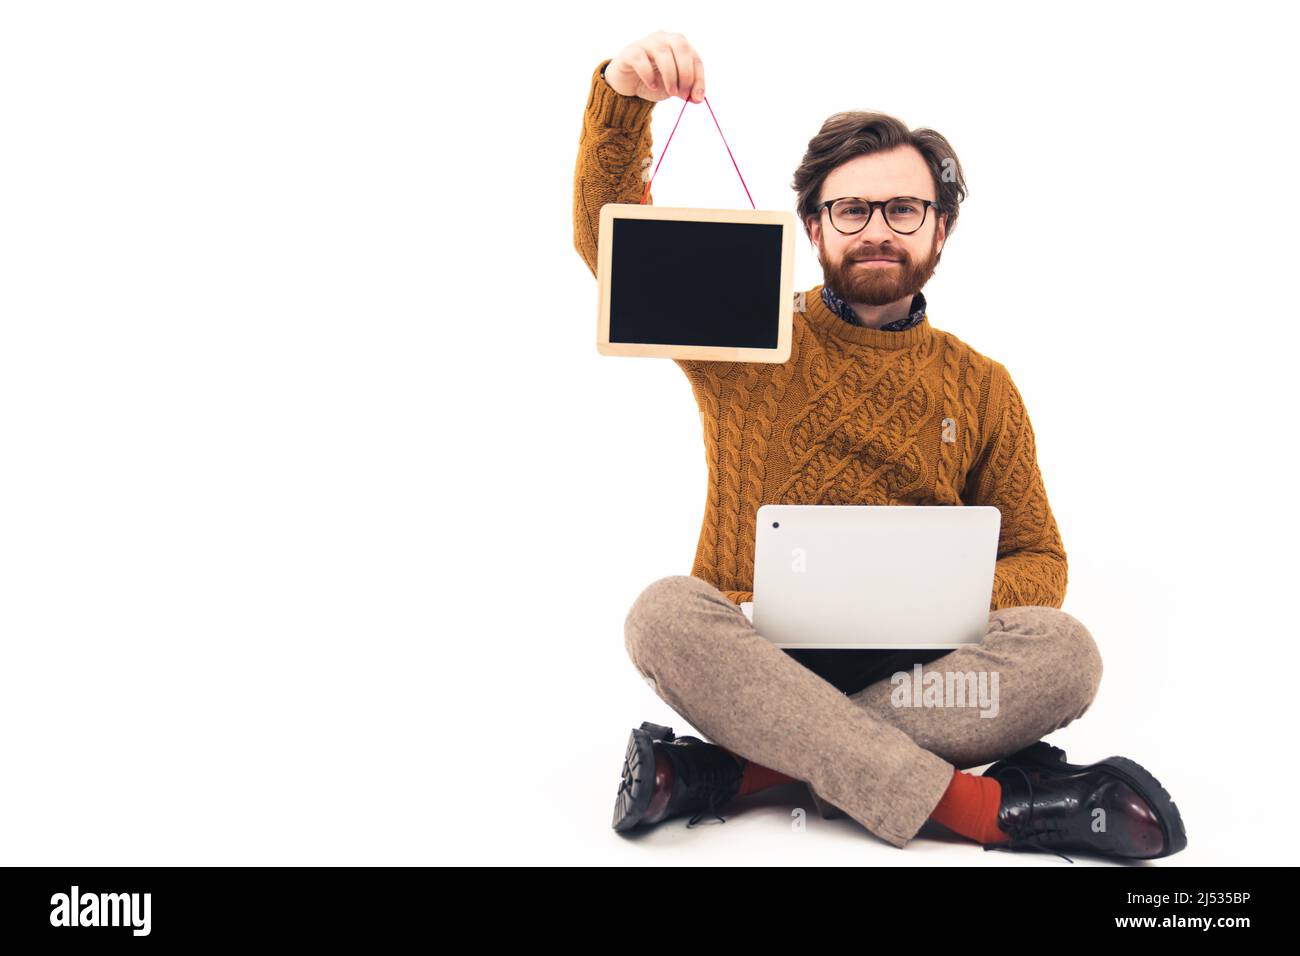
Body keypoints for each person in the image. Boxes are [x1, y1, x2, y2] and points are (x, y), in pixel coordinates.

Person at [573, 31, 1186, 860]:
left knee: (1068, 655)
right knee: (662, 615)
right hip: (758, 658)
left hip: (923, 677)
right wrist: (622, 95)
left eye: (903, 210)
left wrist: (943, 589)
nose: (877, 232)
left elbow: (1041, 556)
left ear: (941, 229)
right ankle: (979, 813)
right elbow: (612, 250)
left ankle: (748, 773)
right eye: (851, 209)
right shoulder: (751, 332)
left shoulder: (981, 384)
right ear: (814, 227)